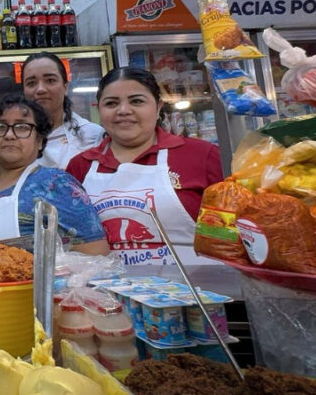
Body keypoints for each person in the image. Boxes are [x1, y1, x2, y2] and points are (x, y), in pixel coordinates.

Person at [65, 67, 232, 294]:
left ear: (158, 106)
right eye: (111, 103)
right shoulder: (80, 166)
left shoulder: (204, 156)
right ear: (100, 110)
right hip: (106, 298)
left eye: (136, 101)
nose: (123, 110)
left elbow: (233, 231)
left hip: (198, 296)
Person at [0, 94, 108, 254]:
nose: (9, 135)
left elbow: (98, 255)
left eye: (22, 127)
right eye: (1, 126)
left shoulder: (57, 184)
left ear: (40, 141)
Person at [0, 52, 105, 186]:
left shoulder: (91, 135)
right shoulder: (9, 136)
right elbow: (2, 183)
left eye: (50, 80)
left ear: (65, 87)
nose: (40, 89)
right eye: (31, 83)